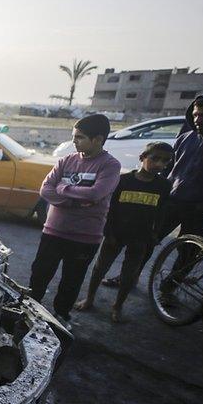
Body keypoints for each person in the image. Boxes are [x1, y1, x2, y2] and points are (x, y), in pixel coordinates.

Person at [102, 93, 203, 287]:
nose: (198, 120)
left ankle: (168, 290)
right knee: (147, 242)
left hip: (200, 208)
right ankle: (129, 277)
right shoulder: (186, 138)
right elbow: (169, 169)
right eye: (196, 115)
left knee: (187, 252)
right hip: (172, 200)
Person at [29, 114, 121, 326]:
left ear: (98, 139)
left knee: (71, 281)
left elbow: (96, 194)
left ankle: (61, 315)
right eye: (74, 136)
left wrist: (63, 188)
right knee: (39, 274)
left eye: (79, 137)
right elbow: (46, 189)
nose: (74, 141)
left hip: (85, 237)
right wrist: (72, 200)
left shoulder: (109, 165)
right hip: (53, 231)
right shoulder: (66, 160)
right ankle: (29, 310)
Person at [75, 142, 173, 323]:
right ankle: (89, 299)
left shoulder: (164, 186)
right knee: (100, 268)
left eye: (165, 161)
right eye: (155, 158)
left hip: (141, 237)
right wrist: (108, 232)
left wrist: (155, 235)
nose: (159, 164)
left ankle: (117, 306)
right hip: (116, 234)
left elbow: (161, 212)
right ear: (142, 157)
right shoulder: (123, 180)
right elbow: (110, 208)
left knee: (129, 274)